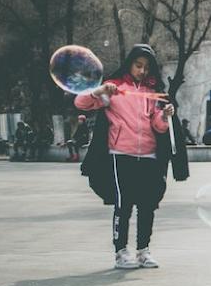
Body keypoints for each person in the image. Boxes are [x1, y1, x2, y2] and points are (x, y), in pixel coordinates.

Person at [75, 44, 187, 270]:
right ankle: (121, 252)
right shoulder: (114, 88)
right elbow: (82, 103)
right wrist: (99, 91)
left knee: (147, 206)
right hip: (120, 154)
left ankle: (143, 251)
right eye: (138, 65)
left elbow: (158, 126)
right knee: (123, 205)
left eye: (146, 67)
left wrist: (165, 116)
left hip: (148, 155)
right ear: (130, 64)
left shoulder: (152, 92)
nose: (142, 71)